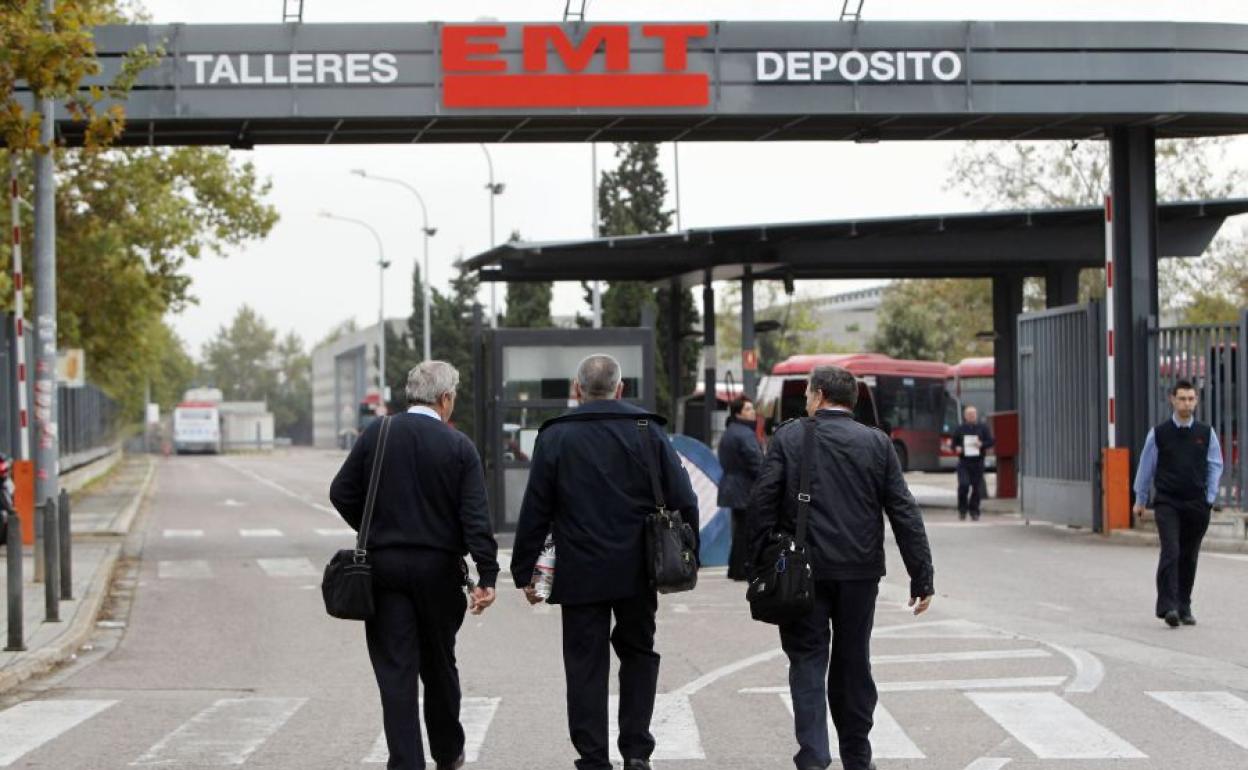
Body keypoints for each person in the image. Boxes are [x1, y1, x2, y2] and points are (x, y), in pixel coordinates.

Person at [510, 354, 700, 770]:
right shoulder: (647, 429)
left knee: (584, 665)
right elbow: (684, 498)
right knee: (638, 654)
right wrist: (690, 556)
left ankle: (593, 758)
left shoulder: (556, 436)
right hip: (639, 568)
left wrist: (524, 571)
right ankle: (636, 751)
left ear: (577, 390)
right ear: (621, 389)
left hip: (579, 572)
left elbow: (536, 509)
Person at [751, 365, 935, 770]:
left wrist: (760, 563)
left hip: (802, 572)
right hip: (860, 571)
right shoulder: (878, 444)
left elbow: (762, 501)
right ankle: (857, 756)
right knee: (853, 662)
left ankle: (814, 757)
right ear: (850, 402)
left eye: (807, 395)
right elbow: (903, 510)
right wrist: (921, 575)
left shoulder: (790, 437)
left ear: (818, 396)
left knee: (807, 660)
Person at [330, 361, 500, 770]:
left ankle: (406, 762)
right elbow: (475, 517)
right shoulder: (458, 446)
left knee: (396, 672)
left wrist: (373, 528)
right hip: (439, 572)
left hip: (384, 571)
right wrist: (486, 577)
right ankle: (447, 752)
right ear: (445, 399)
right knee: (440, 664)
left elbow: (341, 491)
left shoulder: (378, 433)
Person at [1132, 379, 1223, 628]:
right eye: (1182, 398)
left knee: (1189, 556)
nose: (1187, 403)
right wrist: (1140, 499)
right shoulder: (1159, 433)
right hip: (1168, 502)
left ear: (1197, 401)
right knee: (1171, 550)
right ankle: (1168, 606)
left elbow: (1215, 465)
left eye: (1191, 398)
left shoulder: (1206, 433)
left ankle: (1184, 606)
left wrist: (1209, 498)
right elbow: (1146, 467)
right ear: (1172, 399)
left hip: (1196, 503)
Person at [719, 395, 763, 581]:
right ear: (738, 413)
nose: (753, 412)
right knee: (746, 529)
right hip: (744, 487)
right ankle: (740, 569)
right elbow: (756, 462)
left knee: (740, 529)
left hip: (731, 485)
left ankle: (735, 567)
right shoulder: (745, 434)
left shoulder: (730, 431)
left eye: (752, 408)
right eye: (748, 409)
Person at [952, 405, 995, 521]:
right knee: (964, 485)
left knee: (976, 488)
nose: (972, 416)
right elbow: (953, 444)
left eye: (973, 414)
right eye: (969, 414)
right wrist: (957, 448)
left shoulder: (983, 428)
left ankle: (974, 511)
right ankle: (962, 509)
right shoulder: (960, 429)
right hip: (964, 462)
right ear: (965, 416)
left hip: (978, 462)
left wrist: (982, 444)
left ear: (976, 415)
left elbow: (991, 441)